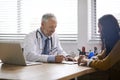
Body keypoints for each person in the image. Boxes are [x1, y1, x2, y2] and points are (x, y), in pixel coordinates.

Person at [77, 14, 120, 80]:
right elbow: (101, 56)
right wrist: (90, 59)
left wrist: (86, 61)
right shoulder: (113, 42)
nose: (98, 31)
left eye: (100, 27)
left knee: (83, 77)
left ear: (107, 29)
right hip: (112, 74)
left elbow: (105, 64)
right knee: (83, 76)